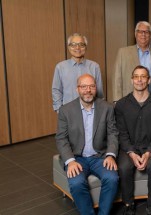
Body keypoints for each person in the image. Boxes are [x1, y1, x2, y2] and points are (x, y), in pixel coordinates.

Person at [55, 74, 119, 215]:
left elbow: (113, 134)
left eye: (91, 86)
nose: (88, 90)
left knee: (112, 178)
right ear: (77, 89)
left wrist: (110, 155)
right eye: (84, 86)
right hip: (77, 157)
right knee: (76, 183)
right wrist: (70, 161)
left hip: (100, 156)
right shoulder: (66, 110)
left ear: (96, 88)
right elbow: (61, 139)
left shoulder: (107, 108)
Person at [115, 65, 151, 215]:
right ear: (132, 80)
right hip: (129, 148)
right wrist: (131, 153)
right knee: (124, 168)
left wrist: (149, 153)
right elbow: (121, 133)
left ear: (148, 80)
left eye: (143, 76)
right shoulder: (121, 104)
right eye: (136, 76)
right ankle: (128, 205)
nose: (139, 80)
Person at [113, 21, 151, 104]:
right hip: (128, 102)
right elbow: (117, 79)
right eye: (140, 31)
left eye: (146, 32)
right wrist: (117, 101)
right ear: (135, 34)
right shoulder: (123, 53)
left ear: (150, 35)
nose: (143, 34)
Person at [52, 33, 104, 112]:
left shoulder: (94, 66)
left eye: (81, 45)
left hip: (90, 111)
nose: (77, 48)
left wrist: (100, 111)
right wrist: (59, 110)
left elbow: (99, 92)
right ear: (69, 47)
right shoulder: (60, 67)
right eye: (73, 45)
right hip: (68, 112)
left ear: (86, 47)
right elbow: (56, 90)